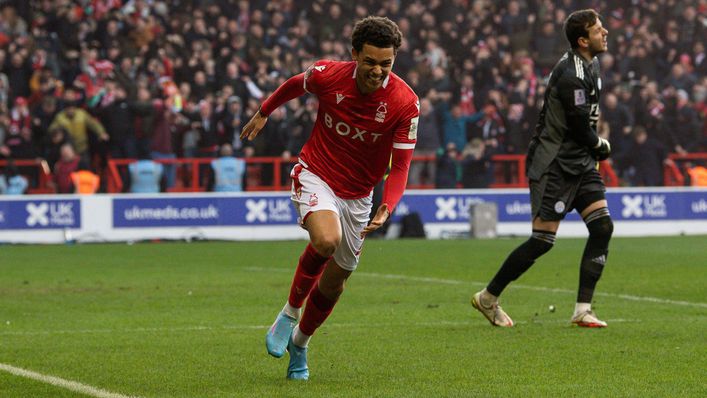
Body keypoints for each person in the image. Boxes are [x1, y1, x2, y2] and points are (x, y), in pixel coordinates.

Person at [240, 16, 419, 380]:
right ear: (354, 54)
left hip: (359, 196)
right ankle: (289, 313)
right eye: (370, 61)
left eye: (386, 63)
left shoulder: (405, 103)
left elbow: (400, 166)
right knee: (326, 239)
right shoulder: (328, 74)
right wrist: (264, 111)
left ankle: (301, 343)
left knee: (336, 281)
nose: (378, 71)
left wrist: (389, 205)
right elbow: (294, 84)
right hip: (316, 173)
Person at [471, 9, 613, 329]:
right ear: (582, 40)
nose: (605, 33)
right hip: (555, 164)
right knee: (542, 241)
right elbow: (578, 125)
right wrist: (601, 145)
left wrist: (592, 150)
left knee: (602, 227)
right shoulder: (570, 73)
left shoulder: (592, 64)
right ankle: (488, 297)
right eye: (598, 30)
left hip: (581, 163)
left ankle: (582, 310)